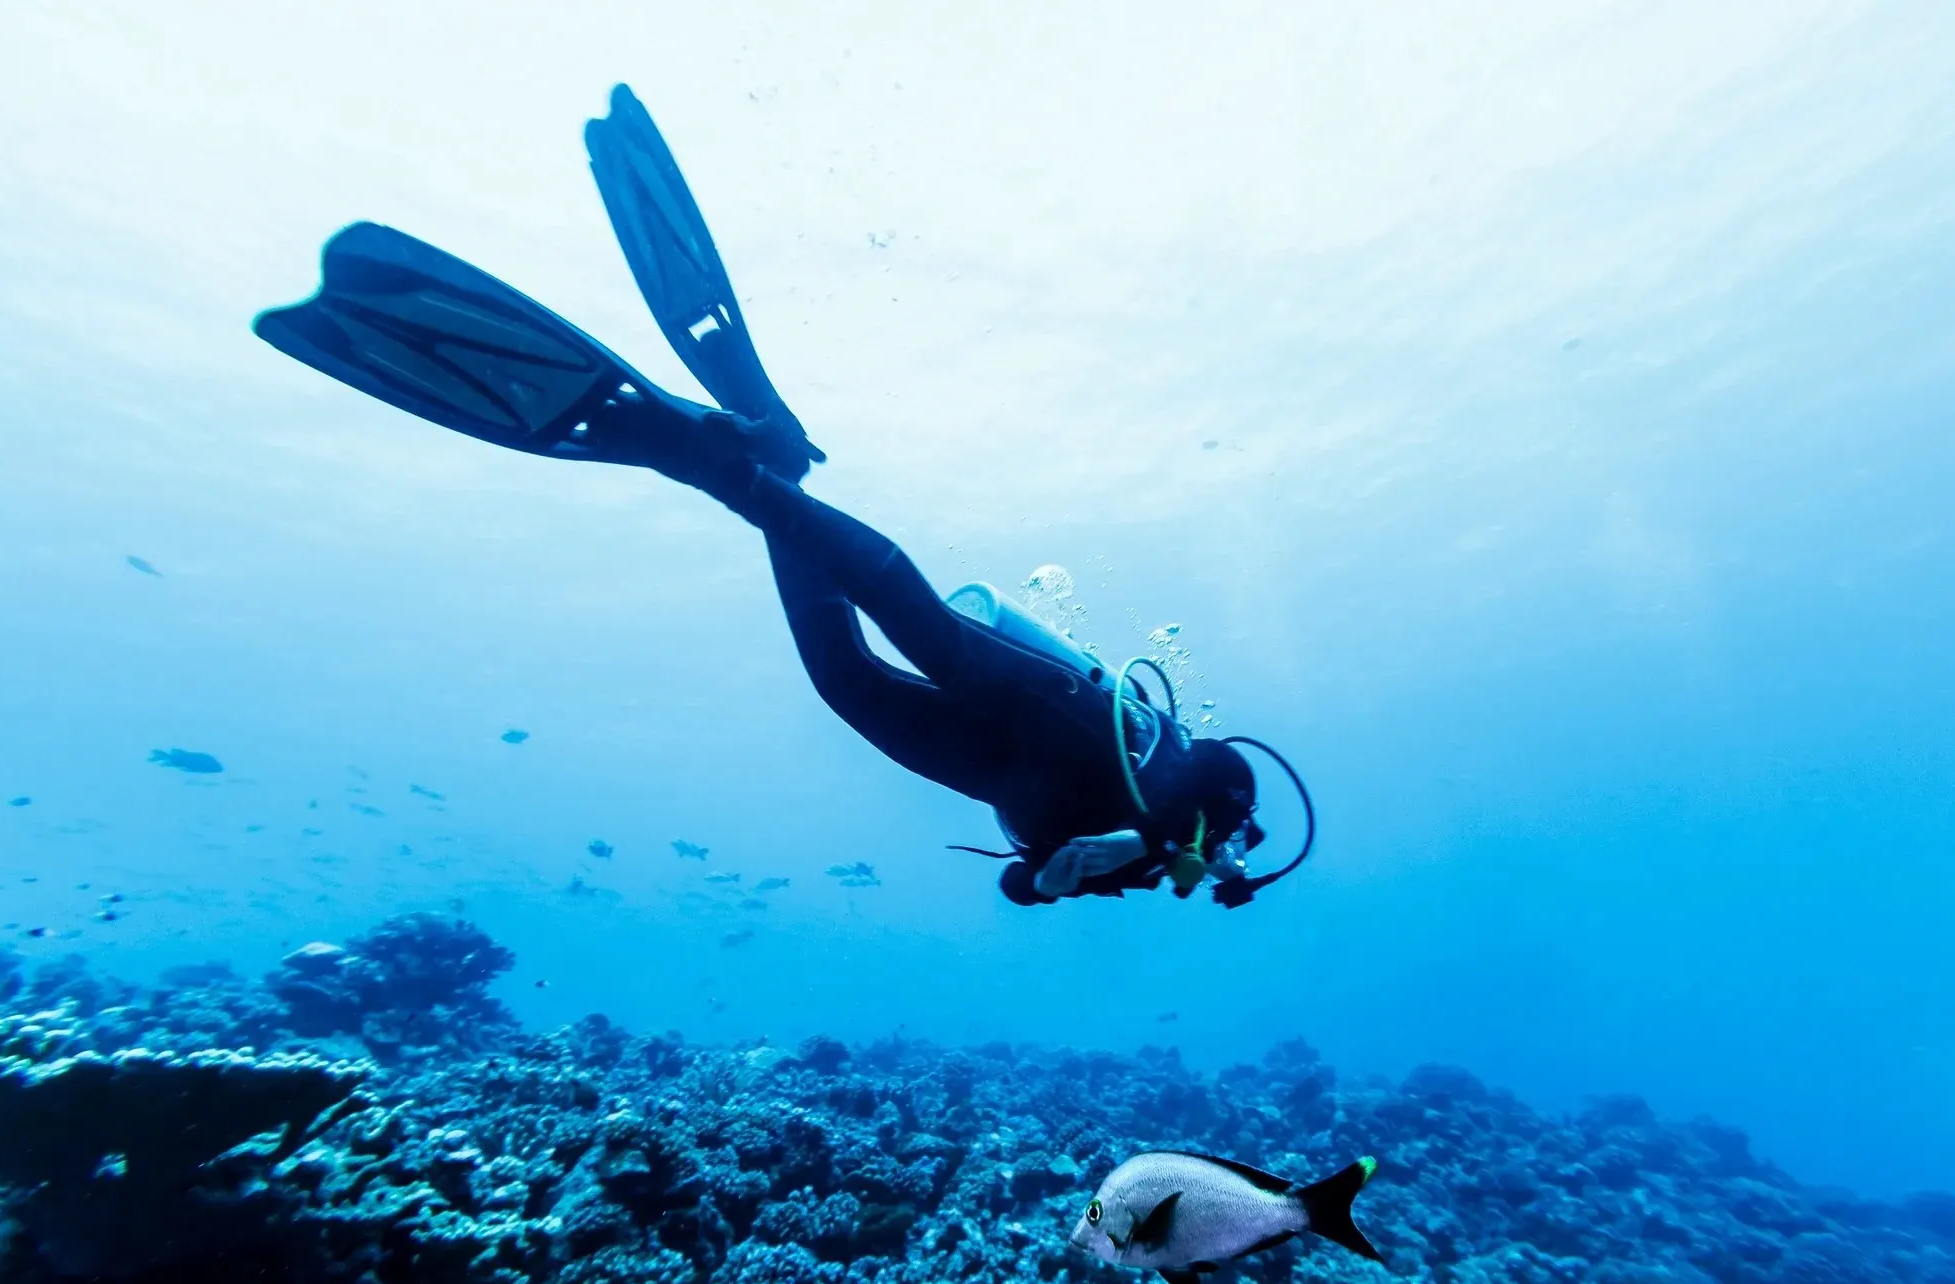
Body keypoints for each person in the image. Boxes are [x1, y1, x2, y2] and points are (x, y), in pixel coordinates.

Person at [255, 85, 1311, 907]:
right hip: (1051, 713)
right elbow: (1215, 766)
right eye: (1227, 865)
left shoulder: (1137, 875)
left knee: (841, 678)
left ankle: (763, 457)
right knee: (925, 628)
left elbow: (1017, 888)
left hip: (989, 768)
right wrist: (1165, 833)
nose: (1208, 877)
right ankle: (725, 467)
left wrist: (1048, 878)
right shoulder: (1210, 796)